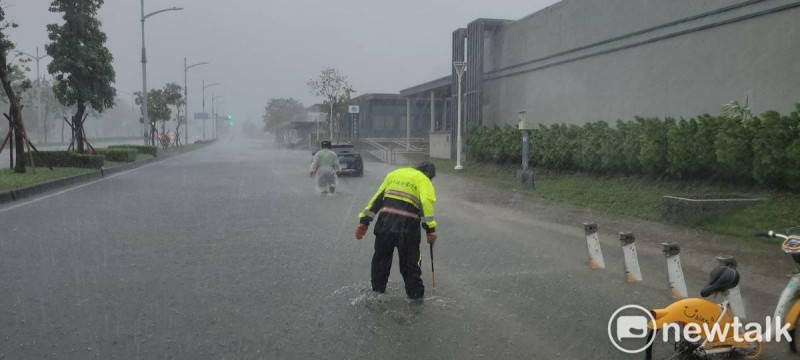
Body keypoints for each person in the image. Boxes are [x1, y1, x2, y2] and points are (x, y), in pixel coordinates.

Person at [355, 162, 437, 300]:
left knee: (381, 260)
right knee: (410, 265)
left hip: (384, 225)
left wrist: (364, 221)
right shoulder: (423, 180)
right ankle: (415, 298)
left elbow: (377, 198)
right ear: (430, 175)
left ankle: (377, 293)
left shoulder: (394, 174)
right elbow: (426, 204)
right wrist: (430, 230)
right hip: (408, 229)